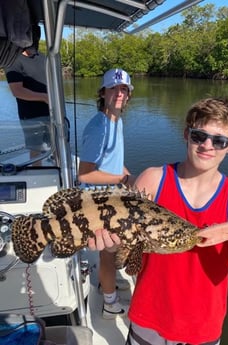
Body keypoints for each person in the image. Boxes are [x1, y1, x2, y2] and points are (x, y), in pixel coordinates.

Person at [88, 97, 228, 344]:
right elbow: (125, 249)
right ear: (186, 134)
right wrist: (110, 246)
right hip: (148, 318)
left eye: (219, 141)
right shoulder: (153, 180)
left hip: (203, 329)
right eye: (199, 136)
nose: (208, 145)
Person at [78, 68, 136, 319]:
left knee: (113, 248)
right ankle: (110, 304)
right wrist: (122, 179)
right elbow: (85, 175)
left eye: (123, 89)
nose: (119, 93)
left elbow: (112, 161)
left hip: (112, 194)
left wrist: (127, 175)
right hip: (98, 201)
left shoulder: (116, 120)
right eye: (113, 88)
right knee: (109, 250)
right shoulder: (99, 127)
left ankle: (107, 283)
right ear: (102, 92)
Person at [4, 24, 50, 161]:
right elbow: (17, 91)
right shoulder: (12, 61)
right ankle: (38, 178)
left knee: (57, 145)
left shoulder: (43, 57)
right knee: (36, 150)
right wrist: (44, 97)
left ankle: (58, 171)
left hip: (52, 113)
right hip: (31, 117)